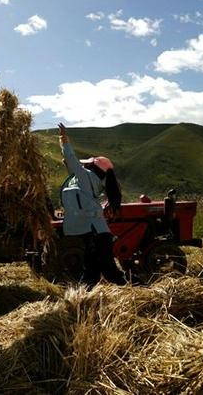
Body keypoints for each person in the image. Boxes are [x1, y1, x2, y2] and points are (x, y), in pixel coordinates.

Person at [58, 123, 126, 289]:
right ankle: (88, 292)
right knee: (92, 267)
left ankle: (130, 290)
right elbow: (72, 168)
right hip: (95, 231)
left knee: (106, 268)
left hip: (95, 231)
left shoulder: (85, 176)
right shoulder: (87, 180)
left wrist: (64, 140)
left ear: (93, 168)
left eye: (87, 164)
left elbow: (72, 161)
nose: (84, 165)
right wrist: (67, 160)